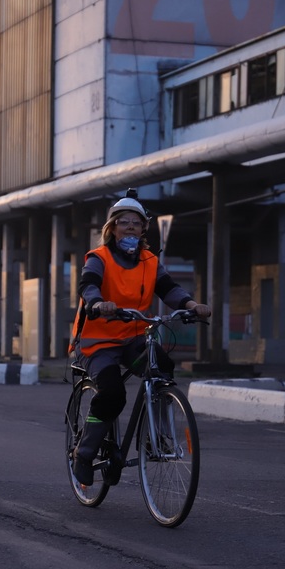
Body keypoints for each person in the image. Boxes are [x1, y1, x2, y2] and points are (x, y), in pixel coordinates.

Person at [69, 191, 211, 485]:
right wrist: (98, 303)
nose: (130, 227)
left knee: (162, 367)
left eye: (136, 223)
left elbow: (168, 288)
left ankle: (155, 437)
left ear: (144, 228)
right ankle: (83, 453)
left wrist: (191, 305)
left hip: (134, 339)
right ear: (112, 228)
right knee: (112, 395)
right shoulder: (99, 258)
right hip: (99, 343)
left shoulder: (149, 260)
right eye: (124, 222)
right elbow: (88, 285)